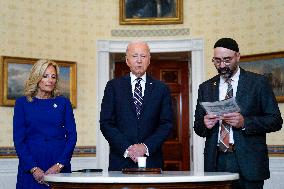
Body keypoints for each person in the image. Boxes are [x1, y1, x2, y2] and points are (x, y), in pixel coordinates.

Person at [194, 37, 283, 189]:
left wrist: (245, 122)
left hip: (250, 163)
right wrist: (205, 124)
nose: (222, 65)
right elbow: (198, 127)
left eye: (227, 60)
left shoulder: (258, 83)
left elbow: (275, 120)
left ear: (238, 56)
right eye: (217, 61)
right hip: (216, 161)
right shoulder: (206, 87)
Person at [100, 41, 173, 171]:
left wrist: (145, 147)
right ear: (127, 60)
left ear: (149, 60)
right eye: (134, 56)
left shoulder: (161, 88)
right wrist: (128, 149)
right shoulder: (113, 87)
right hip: (120, 161)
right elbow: (106, 123)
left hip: (152, 162)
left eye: (143, 56)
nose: (139, 60)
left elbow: (166, 124)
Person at [13, 59, 77, 189]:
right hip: (31, 164)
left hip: (59, 163)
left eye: (53, 77)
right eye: (45, 76)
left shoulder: (63, 103)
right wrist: (33, 168)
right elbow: (19, 140)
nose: (50, 80)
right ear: (37, 78)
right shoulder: (22, 103)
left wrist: (59, 165)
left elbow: (72, 136)